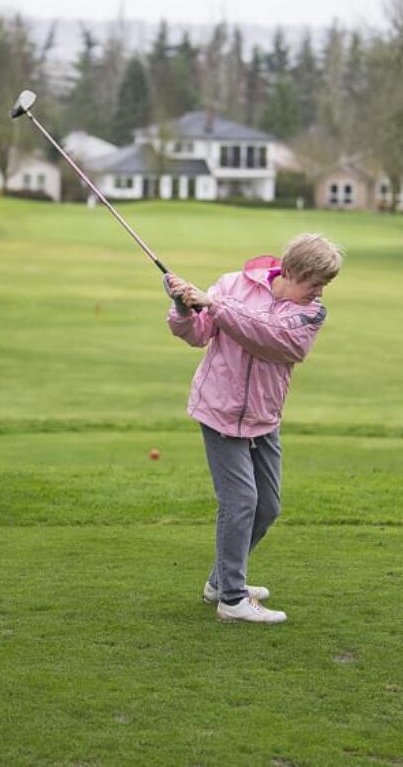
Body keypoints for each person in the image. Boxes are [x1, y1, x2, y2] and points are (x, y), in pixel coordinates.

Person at [164, 233, 342, 625]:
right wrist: (184, 308)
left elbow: (274, 339)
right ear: (293, 272)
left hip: (263, 417)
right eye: (316, 282)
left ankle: (219, 581)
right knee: (241, 502)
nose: (320, 291)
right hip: (221, 410)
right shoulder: (232, 284)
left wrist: (214, 303)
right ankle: (231, 599)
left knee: (268, 507)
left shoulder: (311, 312)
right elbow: (198, 334)